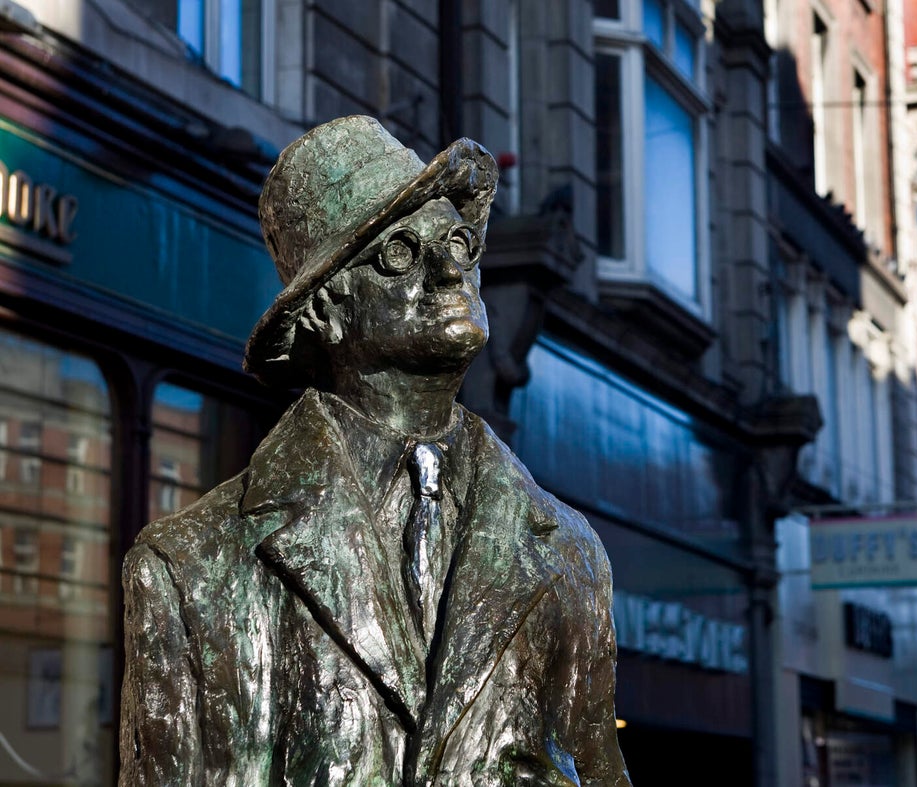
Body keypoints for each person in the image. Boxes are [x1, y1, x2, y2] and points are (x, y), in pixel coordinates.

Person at [118, 115, 632, 787]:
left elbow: (598, 770)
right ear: (326, 311)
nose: (452, 268)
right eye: (399, 254)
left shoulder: (570, 552)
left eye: (457, 240)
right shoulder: (188, 568)